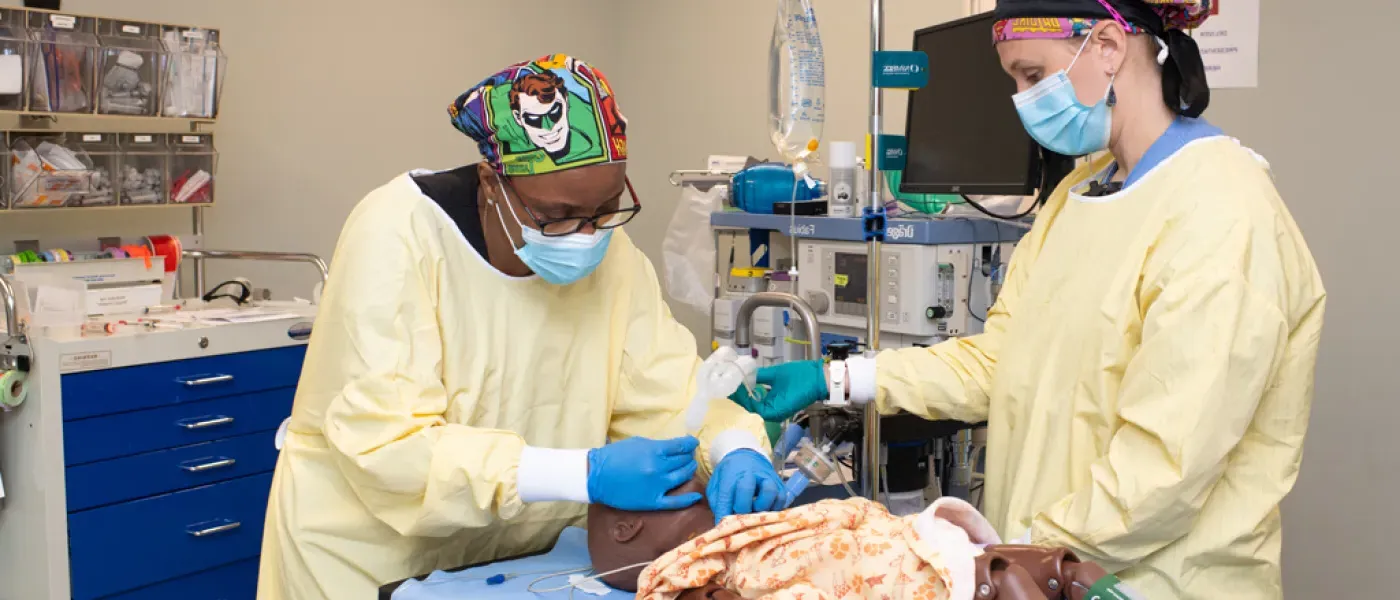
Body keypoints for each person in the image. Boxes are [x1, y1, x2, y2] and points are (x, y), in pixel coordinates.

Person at [735, 1, 1326, 598]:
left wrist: (996, 558)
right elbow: (1000, 360)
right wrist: (838, 377)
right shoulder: (1078, 195)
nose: (1022, 102)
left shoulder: (1221, 210)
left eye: (1033, 75)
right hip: (1041, 569)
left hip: (1146, 582)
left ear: (1107, 47)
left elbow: (1161, 473)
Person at [258, 54, 786, 600]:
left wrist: (732, 447)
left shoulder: (612, 252)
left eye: (607, 208)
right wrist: (585, 472)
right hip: (368, 557)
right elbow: (390, 446)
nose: (588, 235)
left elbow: (671, 393)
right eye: (558, 216)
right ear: (492, 182)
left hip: (519, 562)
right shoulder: (398, 234)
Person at [587, 478, 1124, 599]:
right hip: (914, 574)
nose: (705, 479)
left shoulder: (748, 530)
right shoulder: (682, 569)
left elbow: (850, 515)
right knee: (1019, 578)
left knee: (1057, 569)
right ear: (629, 527)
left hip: (914, 542)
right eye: (681, 479)